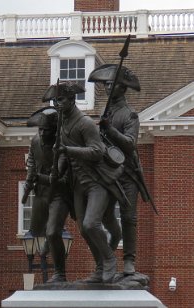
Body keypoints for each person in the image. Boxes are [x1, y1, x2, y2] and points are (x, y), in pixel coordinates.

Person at [42, 81, 127, 283]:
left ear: (72, 99)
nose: (57, 104)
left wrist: (67, 151)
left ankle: (109, 260)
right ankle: (100, 269)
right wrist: (58, 169)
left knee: (91, 224)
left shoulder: (85, 123)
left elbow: (97, 151)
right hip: (78, 184)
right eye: (55, 100)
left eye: (61, 99)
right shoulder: (62, 123)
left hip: (97, 181)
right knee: (83, 229)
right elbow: (62, 153)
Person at [89, 64, 150, 275]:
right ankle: (108, 251)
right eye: (105, 83)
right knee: (103, 215)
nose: (106, 87)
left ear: (122, 88)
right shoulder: (105, 111)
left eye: (111, 84)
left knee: (128, 217)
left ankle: (129, 260)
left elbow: (129, 144)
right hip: (107, 172)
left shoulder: (130, 115)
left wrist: (109, 129)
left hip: (127, 173)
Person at [22, 107, 70, 283]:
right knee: (38, 230)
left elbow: (57, 176)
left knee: (52, 232)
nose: (42, 133)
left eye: (46, 130)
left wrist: (38, 177)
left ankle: (60, 273)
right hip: (42, 192)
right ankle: (48, 246)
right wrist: (29, 180)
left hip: (60, 193)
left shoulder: (63, 145)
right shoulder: (35, 141)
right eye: (40, 129)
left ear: (55, 130)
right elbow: (32, 161)